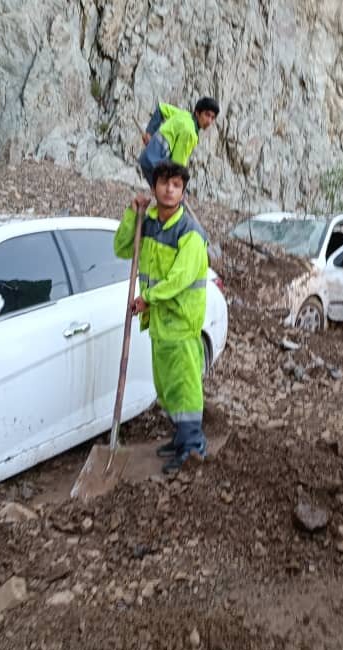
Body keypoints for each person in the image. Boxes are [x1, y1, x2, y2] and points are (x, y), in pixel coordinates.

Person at [114, 162, 209, 473]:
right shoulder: (150, 222)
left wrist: (147, 299)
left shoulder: (190, 233)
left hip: (181, 322)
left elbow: (179, 278)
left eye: (177, 185)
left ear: (183, 192)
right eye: (165, 183)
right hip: (159, 323)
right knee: (166, 386)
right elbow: (122, 248)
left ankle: (193, 446)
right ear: (154, 187)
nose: (170, 189)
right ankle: (181, 438)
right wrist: (133, 215)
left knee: (184, 386)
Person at [138, 97, 220, 188]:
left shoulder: (185, 115)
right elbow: (177, 163)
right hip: (154, 165)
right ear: (197, 113)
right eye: (207, 115)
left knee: (163, 195)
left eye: (212, 118)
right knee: (170, 196)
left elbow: (161, 108)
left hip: (146, 158)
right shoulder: (190, 132)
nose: (209, 121)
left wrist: (150, 132)